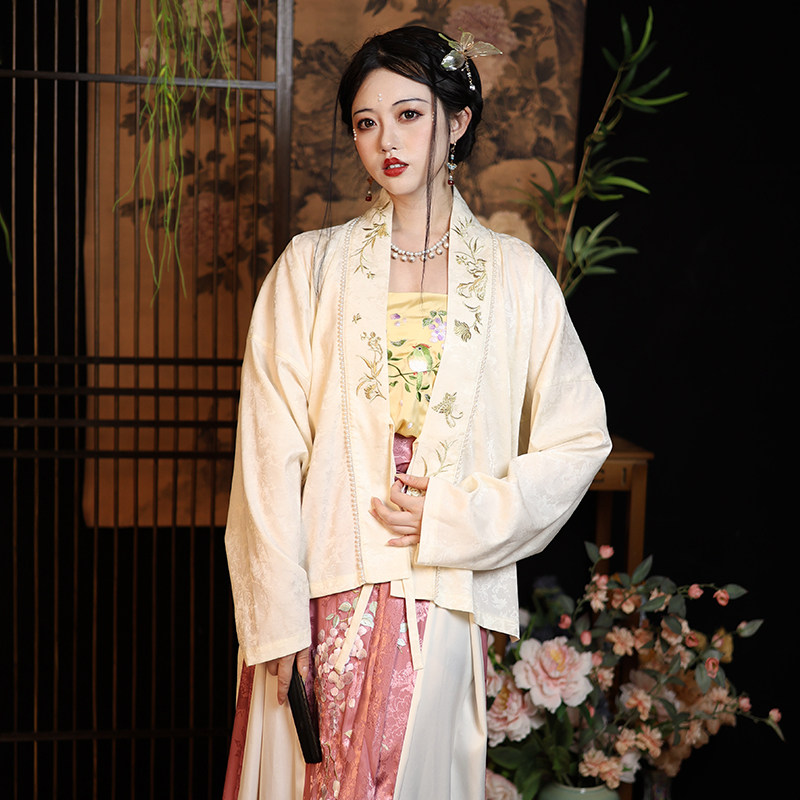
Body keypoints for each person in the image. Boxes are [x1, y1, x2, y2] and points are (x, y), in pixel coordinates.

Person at [222, 25, 611, 800]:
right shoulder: (311, 267)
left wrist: (461, 515)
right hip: (323, 577)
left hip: (443, 585)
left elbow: (579, 438)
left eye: (409, 114)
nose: (386, 141)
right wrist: (277, 619)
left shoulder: (515, 275)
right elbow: (267, 454)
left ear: (456, 121)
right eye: (366, 122)